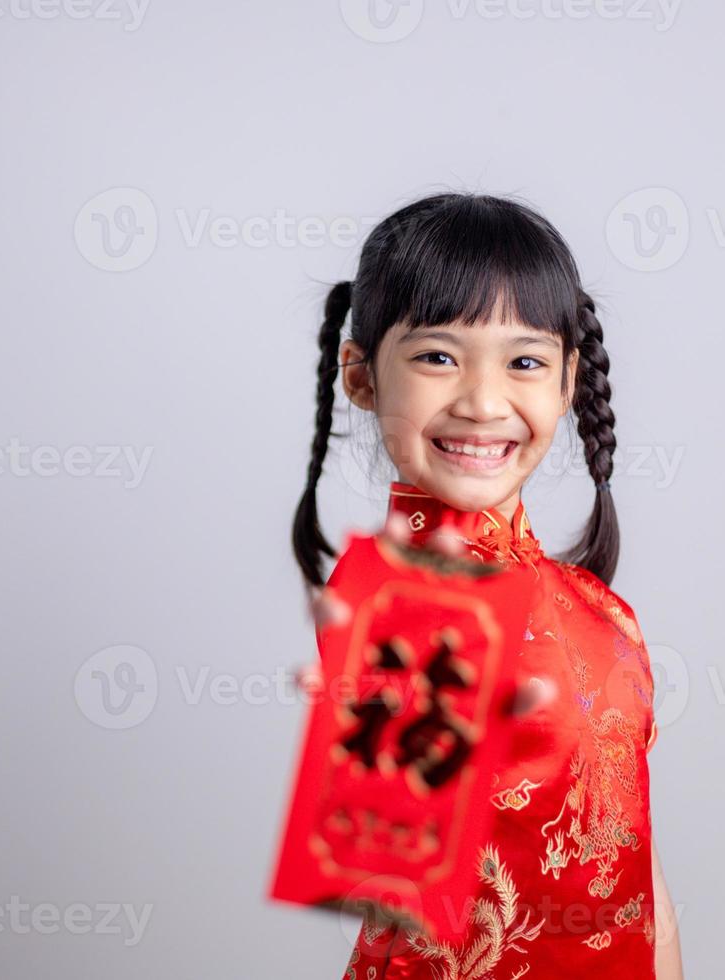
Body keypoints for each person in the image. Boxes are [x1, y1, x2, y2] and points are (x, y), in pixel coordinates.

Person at [291, 193, 683, 979]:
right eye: (438, 356)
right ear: (363, 377)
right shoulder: (395, 594)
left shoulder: (604, 611)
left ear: (569, 381)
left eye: (525, 361)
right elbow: (398, 920)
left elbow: (643, 884)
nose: (481, 401)